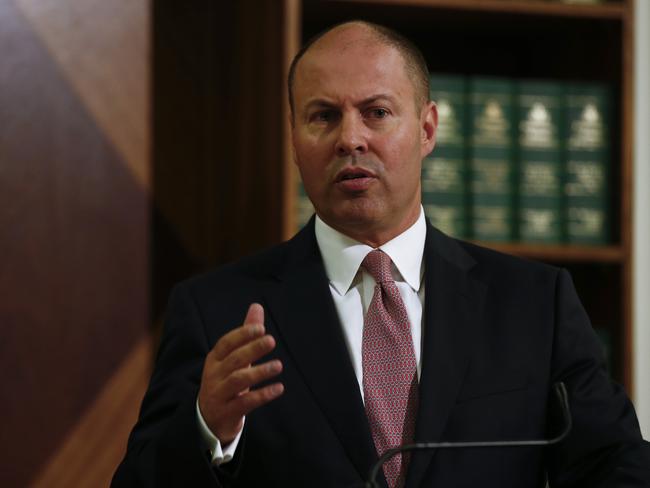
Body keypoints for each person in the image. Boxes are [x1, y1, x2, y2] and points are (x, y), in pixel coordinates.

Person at [112, 20, 650, 488]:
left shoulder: (535, 304)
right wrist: (208, 428)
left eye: (376, 112)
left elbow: (616, 466)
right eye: (322, 116)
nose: (351, 139)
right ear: (294, 141)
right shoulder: (216, 312)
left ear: (427, 129)